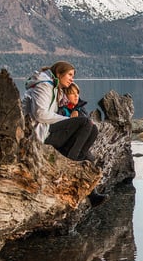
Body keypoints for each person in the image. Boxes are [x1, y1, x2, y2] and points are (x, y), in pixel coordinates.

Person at [22, 61, 106, 205]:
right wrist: (67, 120)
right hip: (39, 132)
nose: (72, 78)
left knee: (93, 130)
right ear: (59, 74)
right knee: (85, 123)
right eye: (70, 75)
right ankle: (72, 161)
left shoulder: (54, 88)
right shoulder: (44, 86)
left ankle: (92, 194)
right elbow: (40, 114)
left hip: (47, 128)